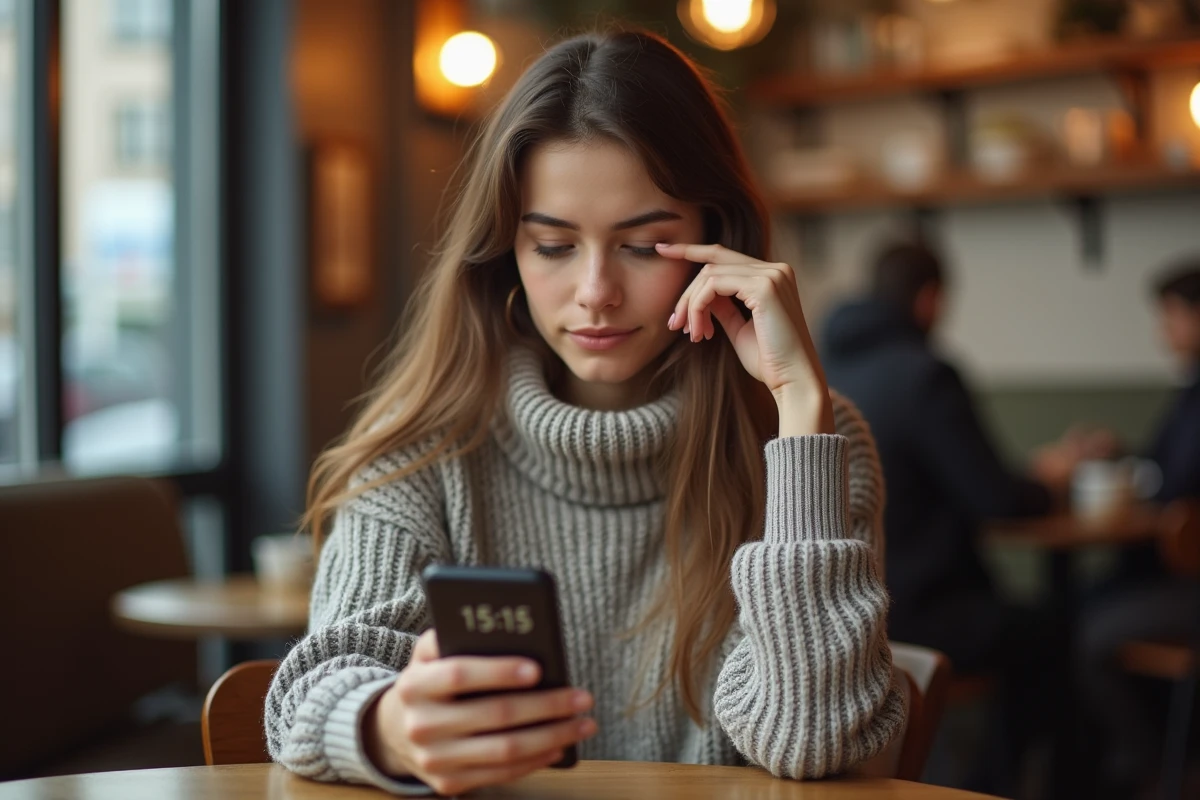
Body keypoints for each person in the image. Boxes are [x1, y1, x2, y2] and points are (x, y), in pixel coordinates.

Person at [265, 29, 904, 797]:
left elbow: (812, 739)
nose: (596, 290)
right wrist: (390, 726)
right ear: (507, 253)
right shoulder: (421, 448)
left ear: (714, 239)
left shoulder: (816, 447)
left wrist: (800, 412)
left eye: (644, 246)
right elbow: (312, 689)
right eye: (555, 246)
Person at [819, 240, 1078, 795]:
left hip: (847, 613)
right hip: (923, 608)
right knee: (1058, 630)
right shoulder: (924, 375)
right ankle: (1004, 784)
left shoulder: (827, 370)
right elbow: (995, 498)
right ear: (930, 299)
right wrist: (1051, 479)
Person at [1075, 260, 1200, 799]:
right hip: (1172, 572)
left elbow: (1178, 482)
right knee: (1085, 601)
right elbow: (1168, 470)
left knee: (1090, 629)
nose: (1163, 332)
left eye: (1171, 318)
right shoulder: (1189, 391)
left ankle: (1153, 776)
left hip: (1190, 582)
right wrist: (1125, 454)